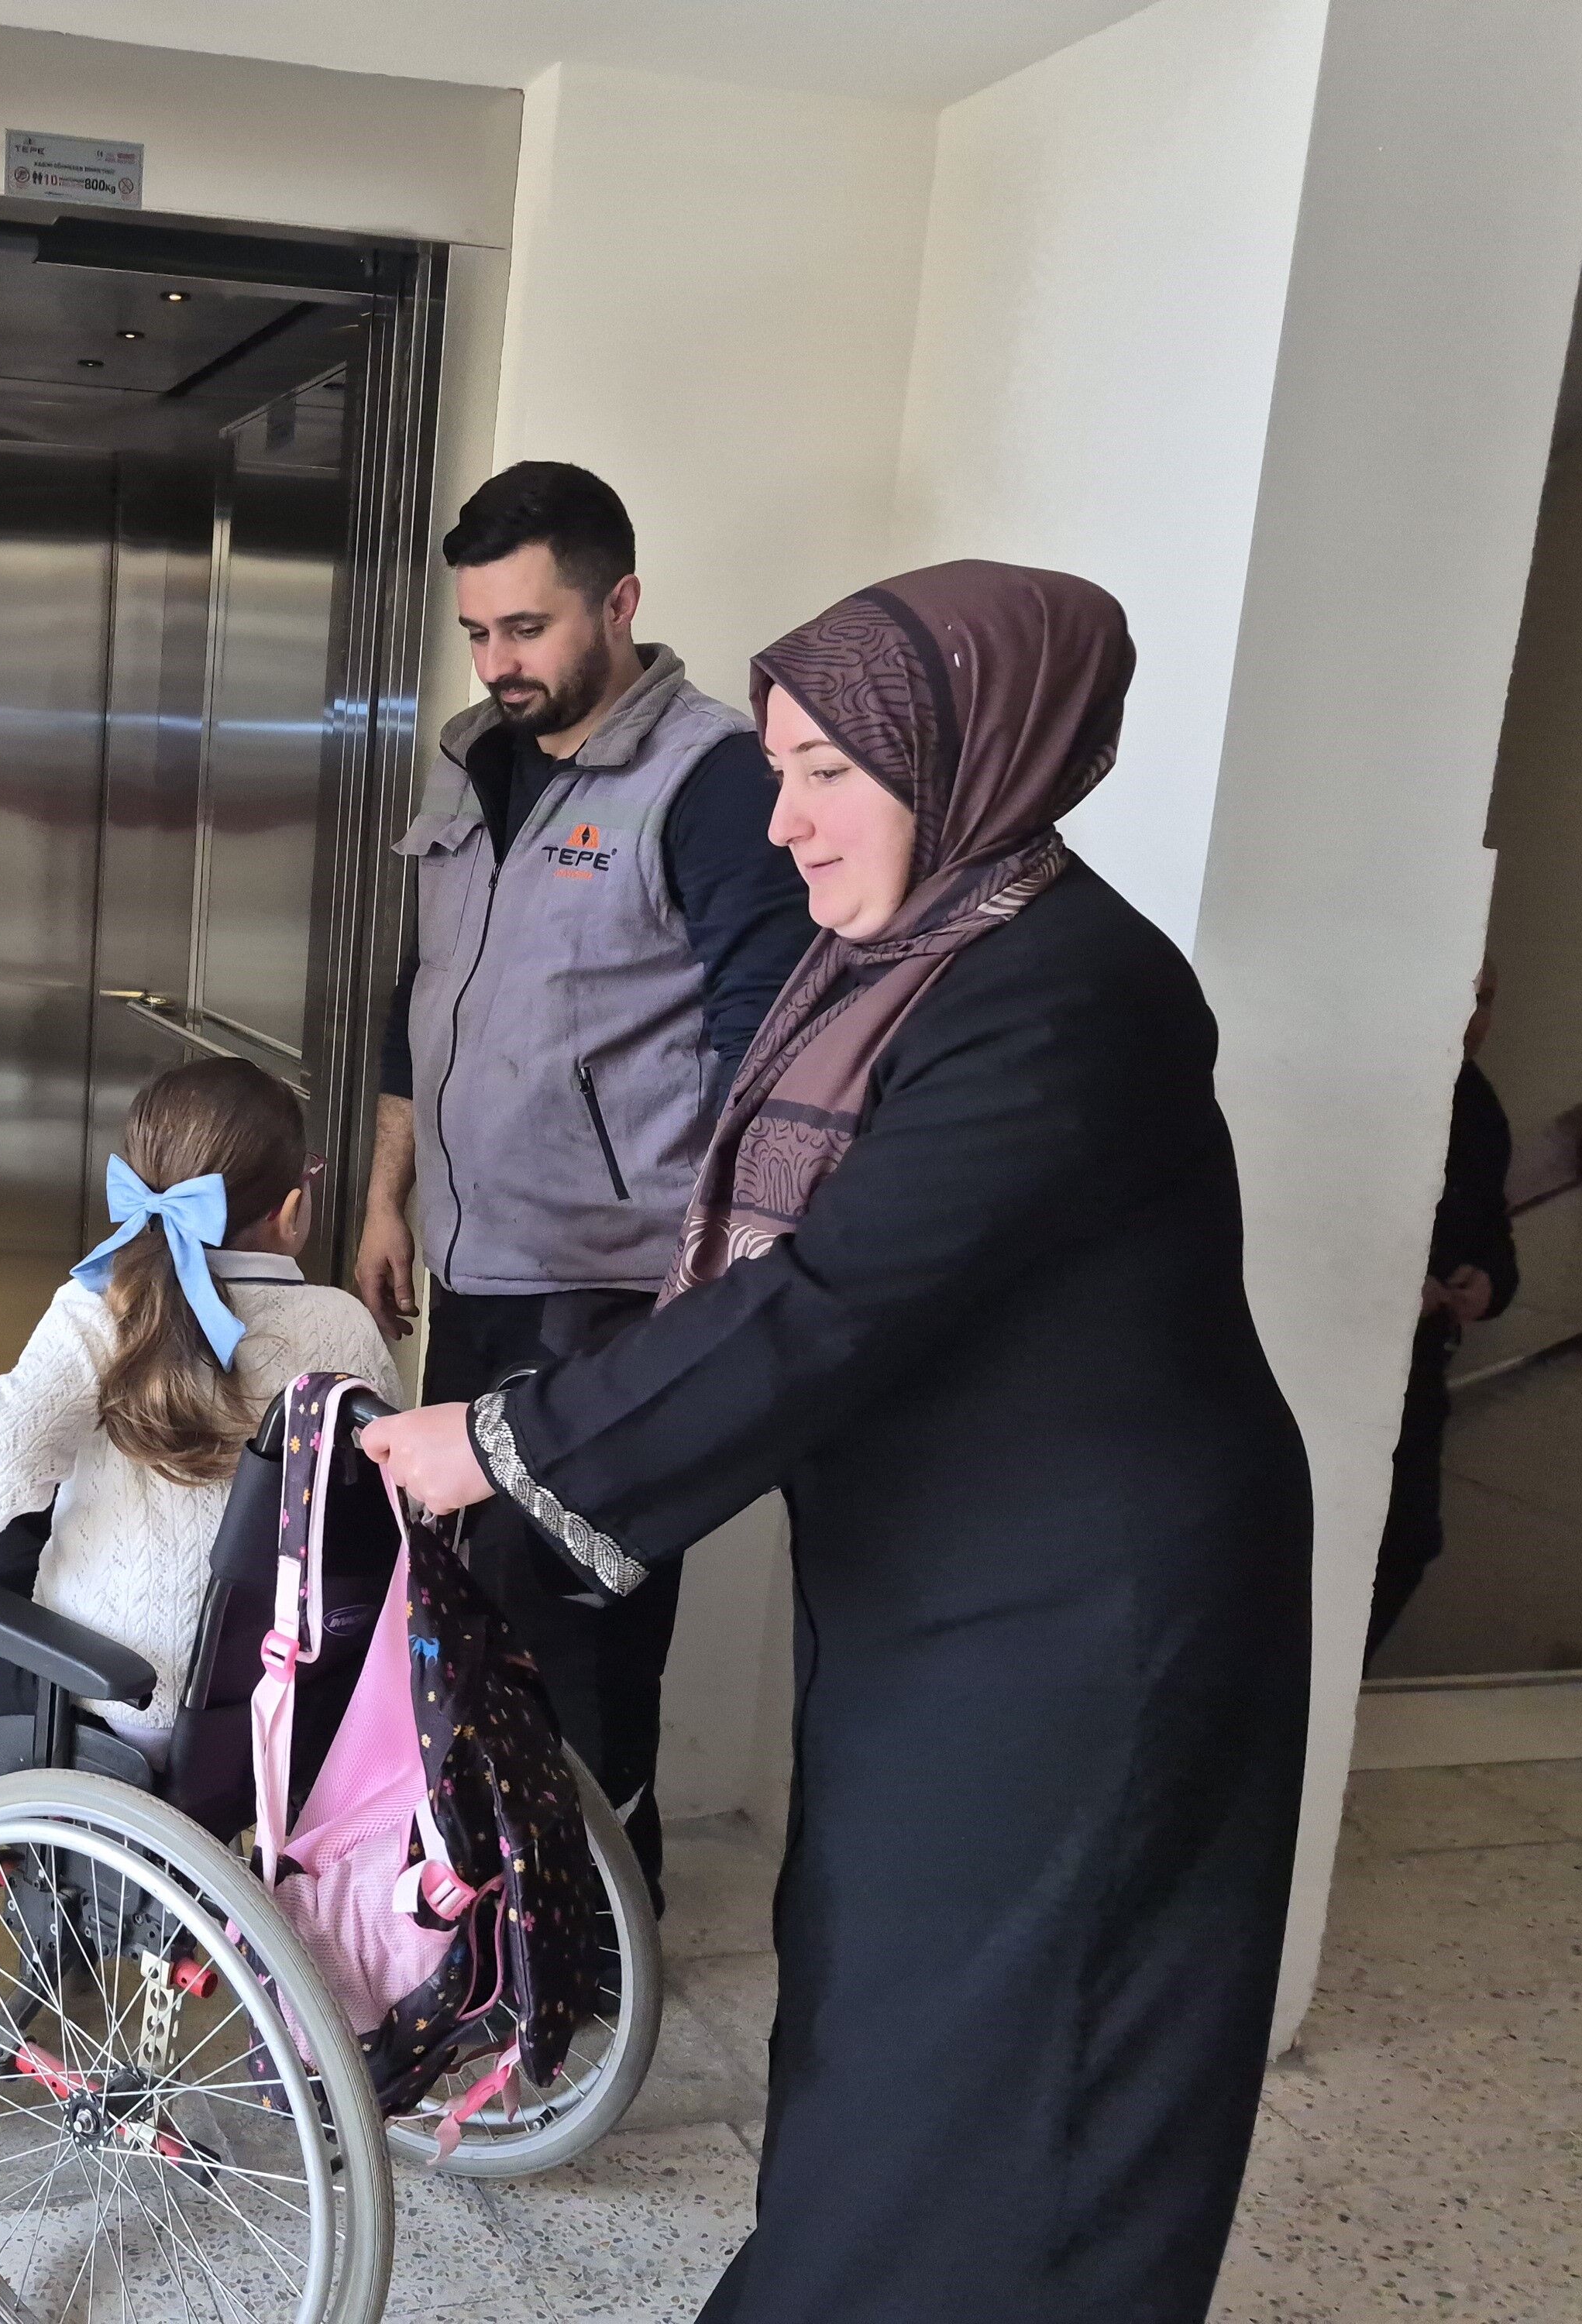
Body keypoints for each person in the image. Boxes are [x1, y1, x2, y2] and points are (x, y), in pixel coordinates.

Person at [362, 562, 1312, 2323]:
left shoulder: (1067, 995)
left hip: (1084, 1618)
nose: (783, 820)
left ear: (968, 760)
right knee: (891, 1982)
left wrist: (503, 1439)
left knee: (1031, 2026)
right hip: (950, 1577)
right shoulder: (914, 960)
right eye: (779, 769)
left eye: (824, 774)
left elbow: (831, 1296)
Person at [355, 460, 814, 1907]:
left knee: (581, 1623)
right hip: (475, 1266)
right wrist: (385, 1198)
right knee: (471, 1607)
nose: (499, 664)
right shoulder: (473, 764)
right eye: (479, 633)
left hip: (612, 1285)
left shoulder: (715, 778)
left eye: (528, 628)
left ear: (619, 605)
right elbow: (421, 998)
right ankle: (499, 1919)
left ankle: (606, 1940)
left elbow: (767, 1045)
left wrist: (713, 1285)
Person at [0, 1057, 400, 1759]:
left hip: (98, 1693)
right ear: (292, 1209)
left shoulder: (103, 1311)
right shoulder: (346, 1327)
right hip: (283, 1702)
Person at [1369, 964, 1517, 1656]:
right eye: (1465, 997)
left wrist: (1487, 1284)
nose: (1475, 1020)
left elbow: (1496, 1236)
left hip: (1419, 1365)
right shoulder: (1371, 1089)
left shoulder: (1479, 1108)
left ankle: (1323, 1695)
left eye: (1486, 1002)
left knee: (1407, 1541)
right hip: (1334, 1354)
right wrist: (1394, 1282)